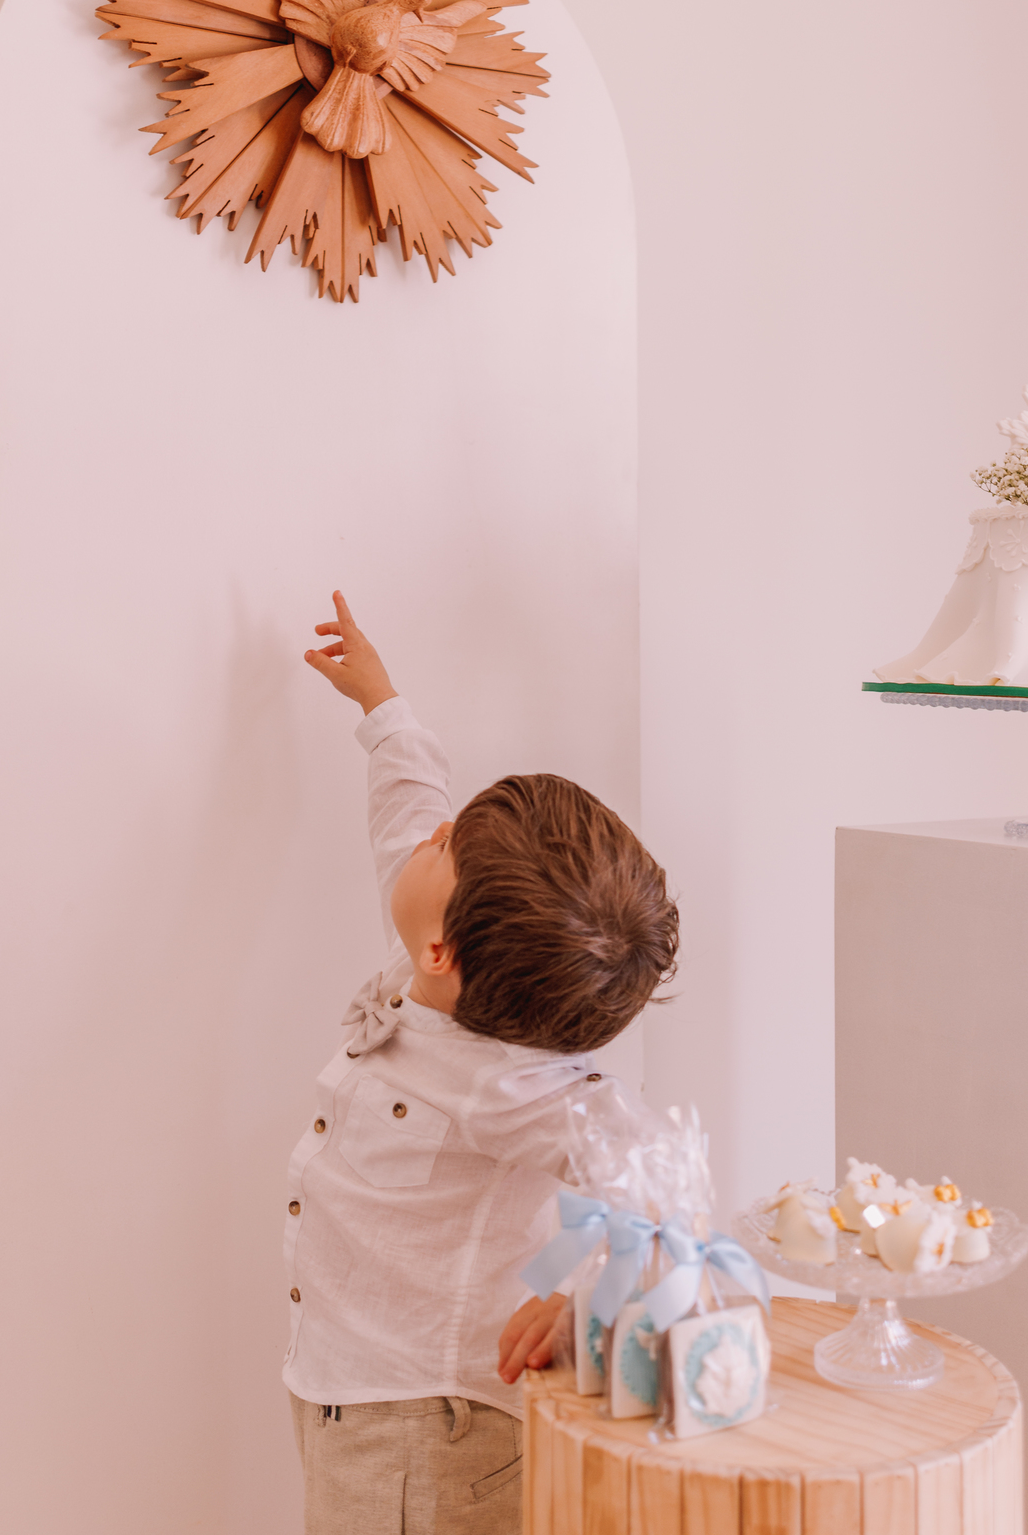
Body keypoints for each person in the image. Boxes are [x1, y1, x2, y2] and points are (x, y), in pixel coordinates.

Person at [285, 592, 679, 1534]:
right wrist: (382, 707)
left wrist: (590, 1293)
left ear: (442, 952)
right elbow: (407, 812)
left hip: (427, 1424)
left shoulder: (510, 1084)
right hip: (342, 1378)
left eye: (447, 844)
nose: (433, 832)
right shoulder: (435, 943)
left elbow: (651, 1180)